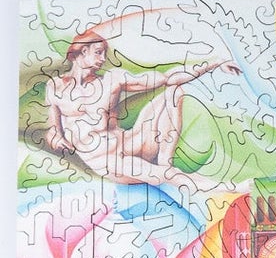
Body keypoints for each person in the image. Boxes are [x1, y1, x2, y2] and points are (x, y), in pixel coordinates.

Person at [42, 33, 235, 187]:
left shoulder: (112, 79)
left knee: (174, 91)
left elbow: (167, 78)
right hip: (109, 160)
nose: (103, 59)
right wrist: (57, 140)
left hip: (132, 142)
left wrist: (215, 63)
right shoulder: (55, 86)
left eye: (104, 54)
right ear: (83, 51)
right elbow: (53, 131)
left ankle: (165, 161)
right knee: (161, 176)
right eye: (98, 52)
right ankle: (228, 188)